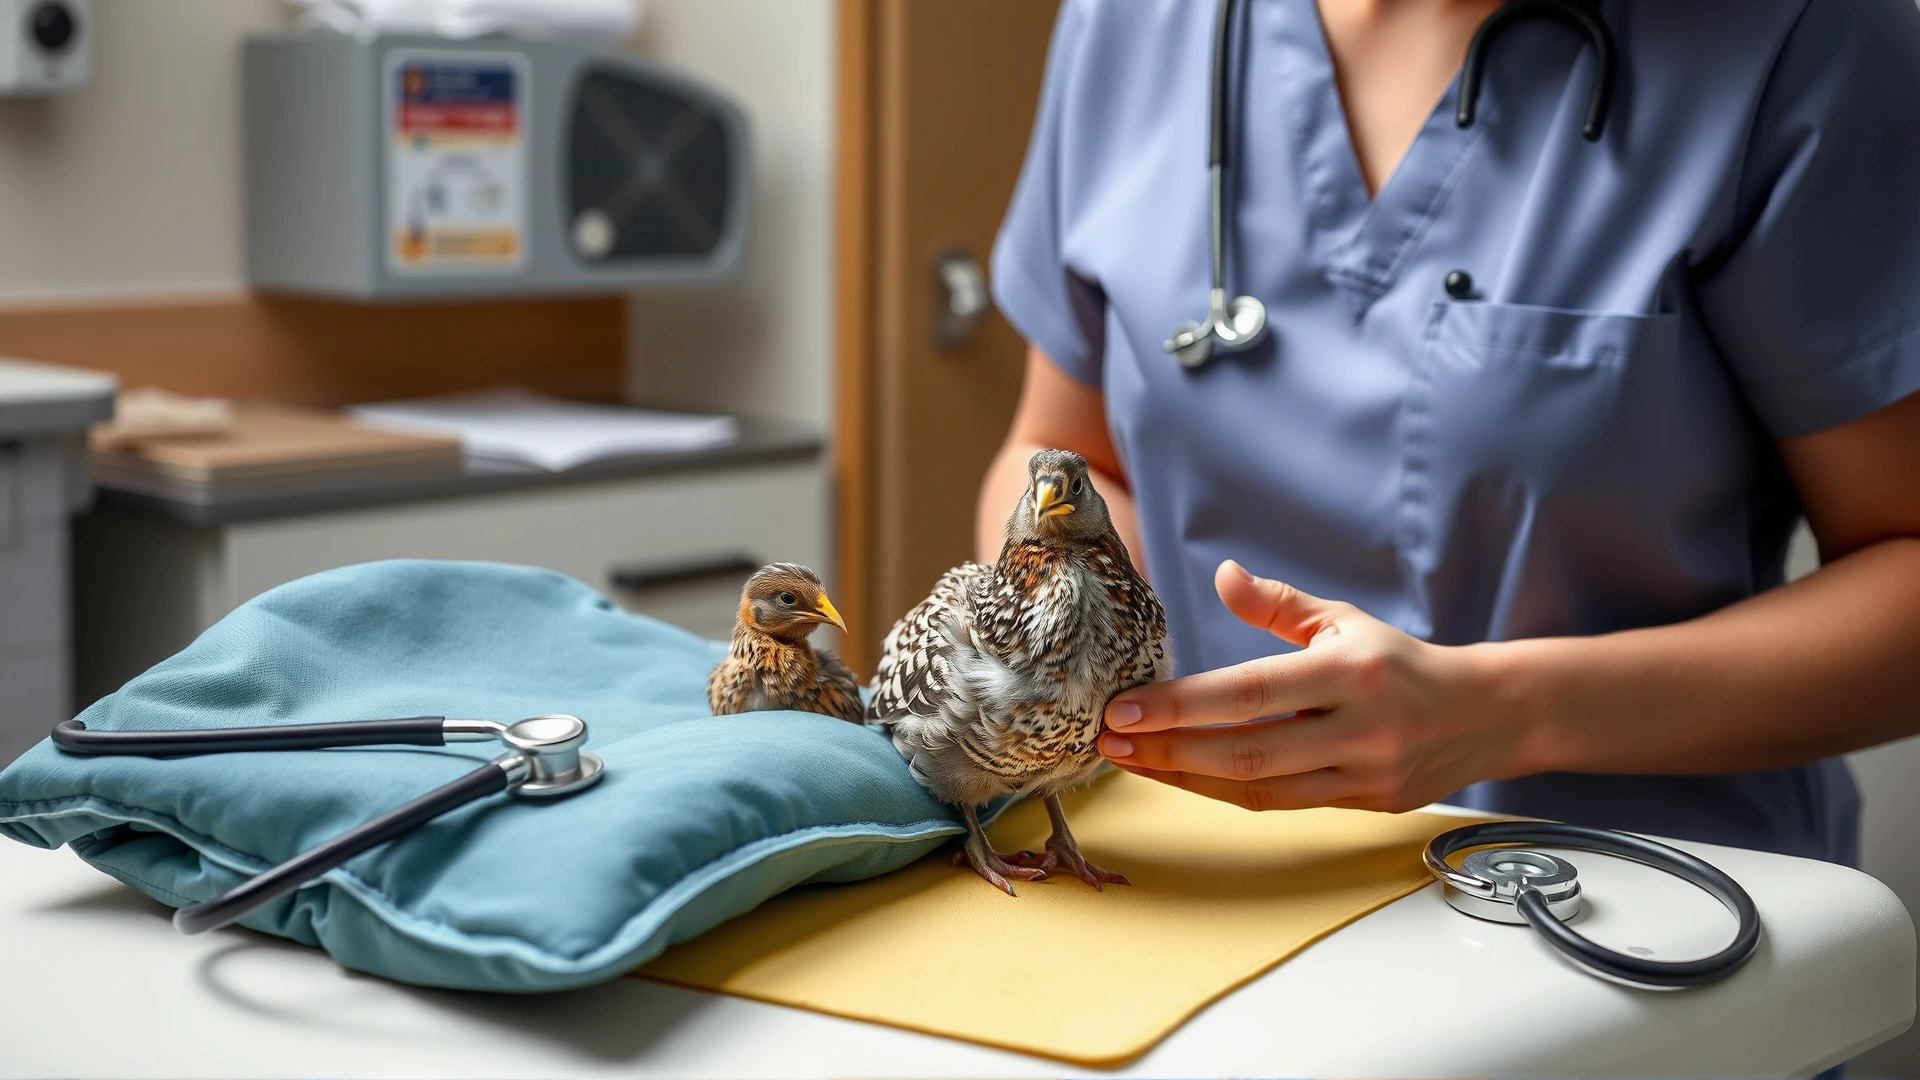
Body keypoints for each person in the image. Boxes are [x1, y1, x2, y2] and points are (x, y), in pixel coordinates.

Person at [979, 0, 1920, 865]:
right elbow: (1065, 453)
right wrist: (1066, 670)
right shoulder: (1135, 25)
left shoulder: (1802, 39)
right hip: (1195, 881)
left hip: (1638, 916)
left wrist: (1510, 716)